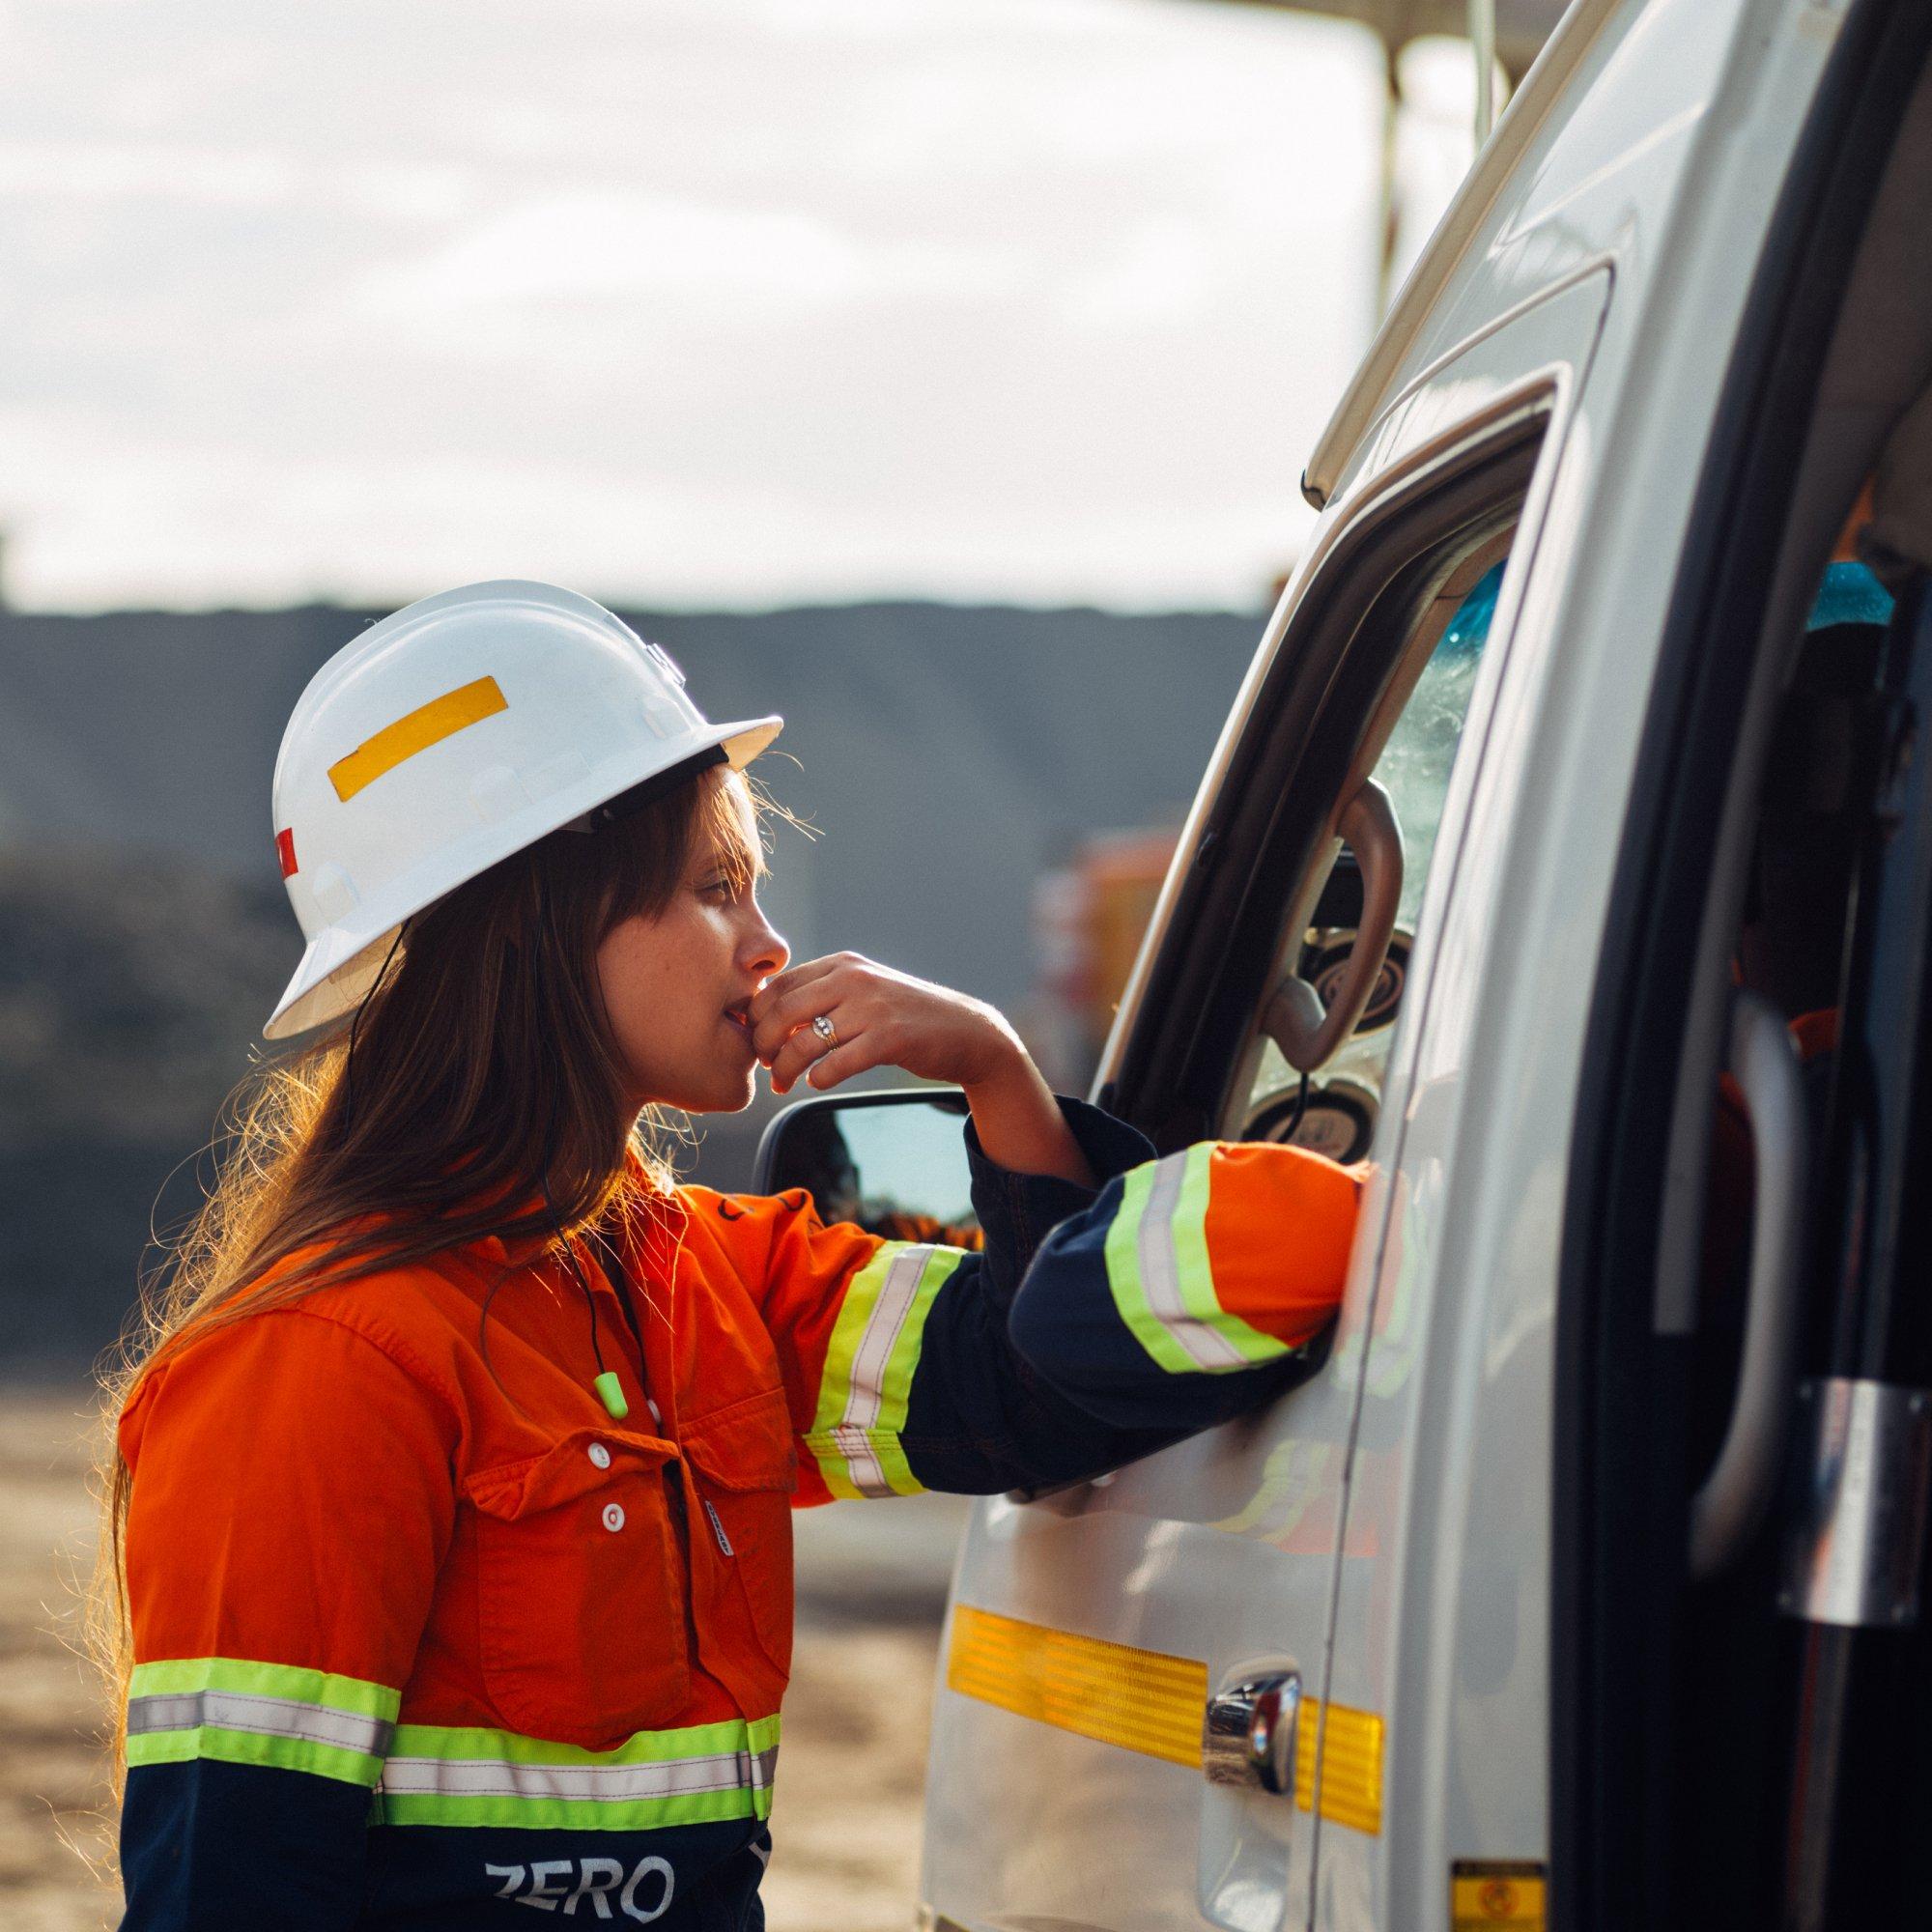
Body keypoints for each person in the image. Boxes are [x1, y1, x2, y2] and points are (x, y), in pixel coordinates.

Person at [97, 580, 1362, 1930]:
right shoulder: (313, 1366)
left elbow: (1038, 1397)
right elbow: (228, 1890)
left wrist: (994, 1070)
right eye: (715, 889)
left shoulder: (711, 1282)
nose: (770, 949)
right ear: (532, 916)